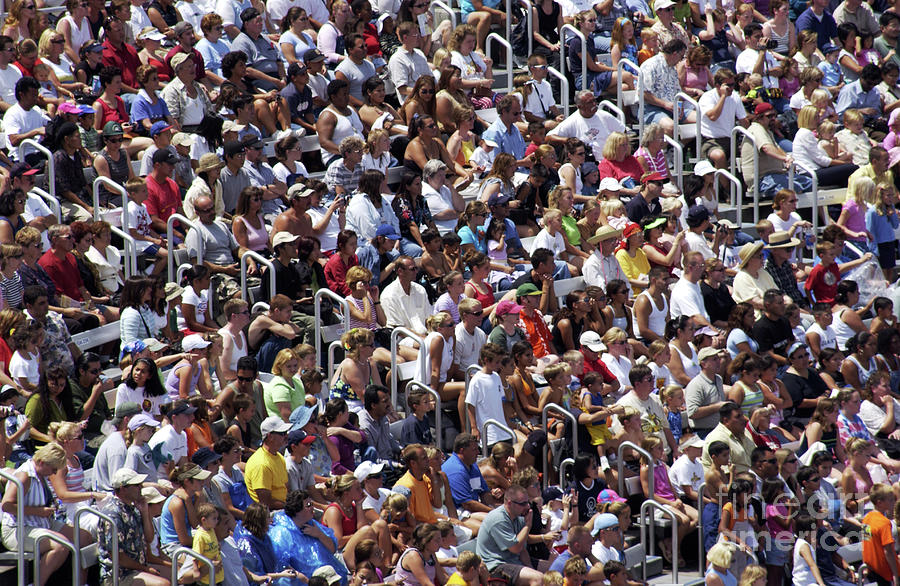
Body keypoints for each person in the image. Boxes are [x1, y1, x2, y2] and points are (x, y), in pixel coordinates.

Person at [475, 483, 544, 586]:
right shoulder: (499, 519)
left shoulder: (519, 517)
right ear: (509, 503)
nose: (528, 506)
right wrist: (527, 526)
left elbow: (522, 550)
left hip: (513, 561)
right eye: (523, 504)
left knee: (554, 569)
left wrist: (530, 567)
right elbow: (515, 548)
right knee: (538, 579)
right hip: (497, 566)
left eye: (527, 502)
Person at [244, 416, 291, 509]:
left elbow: (286, 488)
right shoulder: (261, 464)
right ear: (270, 436)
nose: (286, 436)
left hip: (285, 507)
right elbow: (266, 503)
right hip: (272, 514)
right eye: (282, 433)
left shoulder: (279, 457)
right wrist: (291, 507)